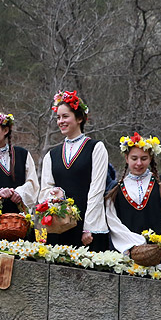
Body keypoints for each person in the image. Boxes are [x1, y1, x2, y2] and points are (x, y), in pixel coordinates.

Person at [39, 90, 109, 249]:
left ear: (79, 118)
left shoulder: (96, 148)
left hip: (87, 228)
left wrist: (88, 227)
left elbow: (97, 189)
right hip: (60, 227)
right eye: (58, 117)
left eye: (65, 116)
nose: (60, 121)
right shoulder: (52, 154)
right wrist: (55, 194)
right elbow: (45, 189)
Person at [105, 133, 161, 263]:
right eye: (134, 158)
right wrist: (134, 244)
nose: (139, 163)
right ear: (126, 158)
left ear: (151, 158)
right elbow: (113, 222)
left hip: (159, 257)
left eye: (144, 158)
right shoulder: (116, 189)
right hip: (129, 256)